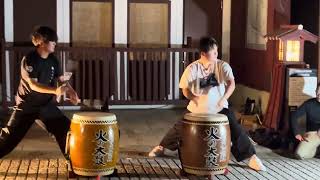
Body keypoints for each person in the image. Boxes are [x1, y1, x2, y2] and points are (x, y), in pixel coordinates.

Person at [149, 37, 266, 172]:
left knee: (236, 128)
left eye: (217, 51)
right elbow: (185, 89)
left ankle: (252, 158)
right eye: (213, 52)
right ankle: (162, 147)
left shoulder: (222, 66)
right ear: (203, 54)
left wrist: (224, 98)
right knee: (179, 128)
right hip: (197, 110)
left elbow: (231, 83)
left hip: (219, 110)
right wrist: (193, 97)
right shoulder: (192, 68)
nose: (217, 54)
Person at [0, 26, 79, 158]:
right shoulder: (30, 59)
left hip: (45, 105)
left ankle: (74, 163)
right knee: (7, 140)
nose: (55, 43)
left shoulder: (53, 60)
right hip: (26, 106)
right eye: (52, 41)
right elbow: (33, 85)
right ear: (41, 42)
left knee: (66, 130)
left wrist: (71, 92)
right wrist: (55, 90)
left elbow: (61, 80)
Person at [291, 82, 320, 159]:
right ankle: (315, 150)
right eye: (318, 91)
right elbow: (294, 116)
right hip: (313, 134)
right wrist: (296, 133)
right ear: (315, 91)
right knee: (299, 154)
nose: (319, 94)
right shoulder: (309, 104)